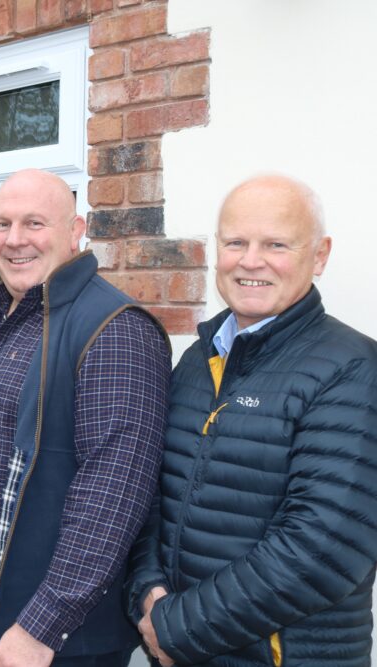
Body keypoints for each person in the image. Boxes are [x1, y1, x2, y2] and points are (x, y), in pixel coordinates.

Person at [126, 175, 377, 666]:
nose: (251, 260)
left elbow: (321, 550)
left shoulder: (353, 369)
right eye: (235, 242)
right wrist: (146, 591)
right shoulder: (197, 361)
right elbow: (151, 494)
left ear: (319, 255)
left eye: (276, 244)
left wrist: (174, 628)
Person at [0, 169, 172, 667]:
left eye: (34, 223)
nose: (14, 240)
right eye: (2, 224)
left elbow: (113, 496)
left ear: (75, 229)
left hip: (53, 635)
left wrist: (41, 627)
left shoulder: (115, 328)